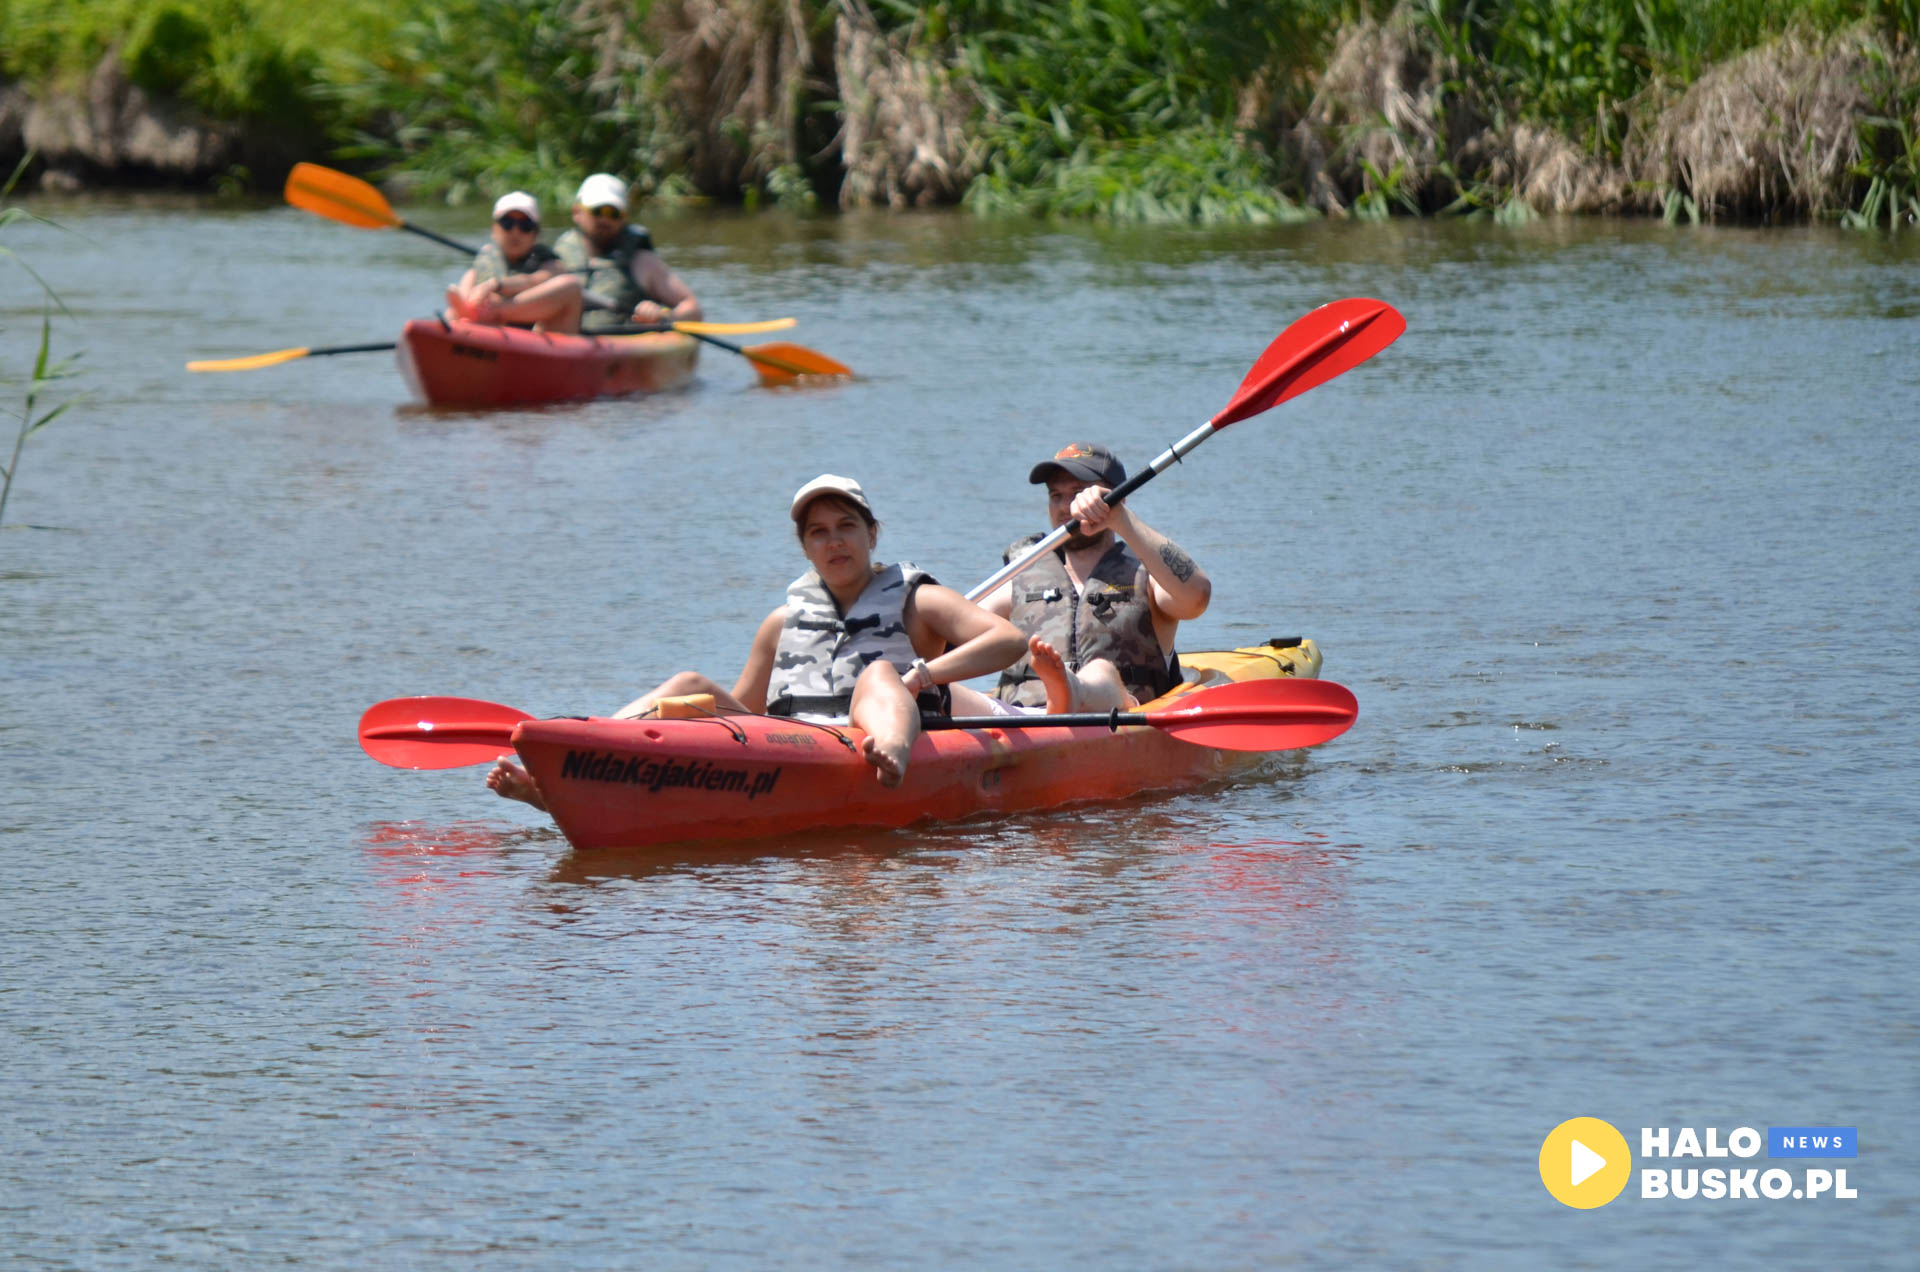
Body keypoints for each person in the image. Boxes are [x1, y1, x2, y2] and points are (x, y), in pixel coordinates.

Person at [486, 475, 1025, 806]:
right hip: (799, 748)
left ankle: (891, 757)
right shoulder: (781, 622)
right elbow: (744, 715)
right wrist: (686, 719)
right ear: (806, 548)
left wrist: (926, 673)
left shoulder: (918, 601)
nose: (834, 540)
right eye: (819, 532)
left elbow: (1008, 640)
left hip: (880, 740)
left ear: (871, 534)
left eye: (846, 526)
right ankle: (575, 766)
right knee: (690, 684)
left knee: (879, 673)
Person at [978, 442, 1212, 715]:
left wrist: (1120, 519)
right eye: (1056, 495)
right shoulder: (1021, 575)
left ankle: (1072, 691)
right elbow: (954, 633)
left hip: (1113, 719)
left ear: (1118, 497)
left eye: (1078, 493)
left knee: (1101, 671)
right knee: (944, 691)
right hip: (1022, 720)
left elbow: (1196, 597)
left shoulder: (1150, 574)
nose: (1066, 507)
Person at [552, 173, 702, 333]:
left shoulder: (643, 262)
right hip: (562, 342)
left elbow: (693, 309)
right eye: (597, 211)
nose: (605, 220)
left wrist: (662, 318)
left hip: (619, 347)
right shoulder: (555, 259)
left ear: (624, 217)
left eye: (613, 213)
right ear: (576, 212)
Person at [444, 191, 584, 333]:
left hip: (537, 336)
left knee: (571, 285)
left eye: (525, 225)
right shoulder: (484, 261)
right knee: (455, 306)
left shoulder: (550, 263)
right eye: (507, 223)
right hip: (489, 332)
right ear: (494, 229)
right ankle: (467, 315)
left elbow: (534, 280)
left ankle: (492, 312)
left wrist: (494, 285)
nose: (515, 232)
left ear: (535, 233)